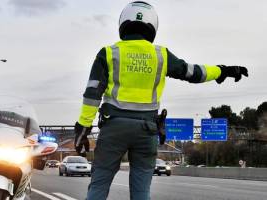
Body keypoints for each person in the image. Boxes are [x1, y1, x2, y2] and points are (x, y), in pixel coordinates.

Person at [74, 1, 248, 200]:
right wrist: (222, 70)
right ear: (152, 26)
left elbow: (92, 93)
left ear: (122, 23)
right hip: (146, 131)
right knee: (141, 191)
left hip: (113, 128)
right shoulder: (161, 55)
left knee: (99, 184)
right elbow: (192, 72)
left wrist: (83, 127)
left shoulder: (108, 53)